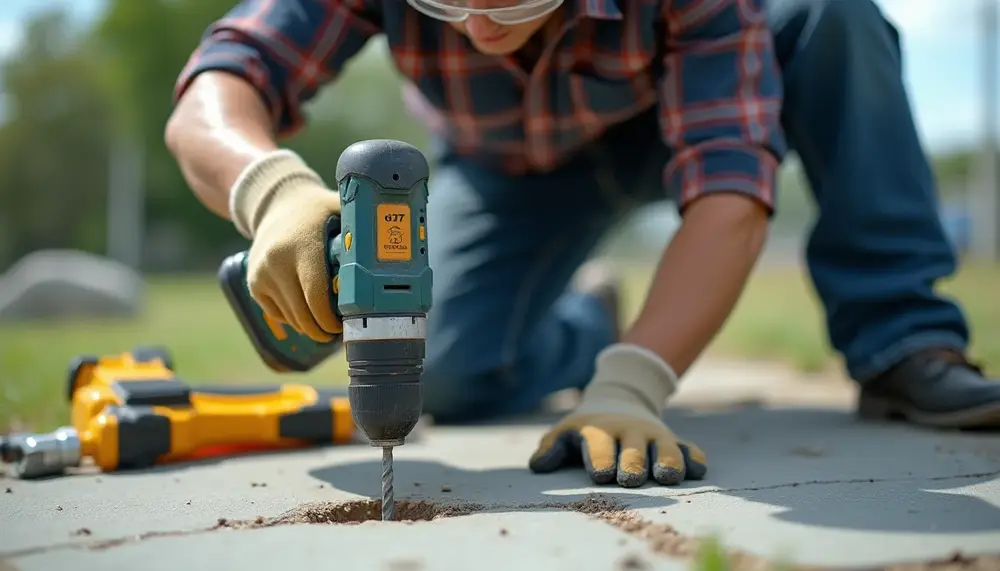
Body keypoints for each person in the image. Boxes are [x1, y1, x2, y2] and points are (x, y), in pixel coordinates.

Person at [166, 0, 1000, 490]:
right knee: (445, 370)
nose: (483, 22)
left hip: (688, 115)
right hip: (511, 170)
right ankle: (590, 327)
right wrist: (270, 189)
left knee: (832, 13)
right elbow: (224, 78)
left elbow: (728, 192)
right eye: (449, 5)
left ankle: (903, 340)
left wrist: (635, 388)